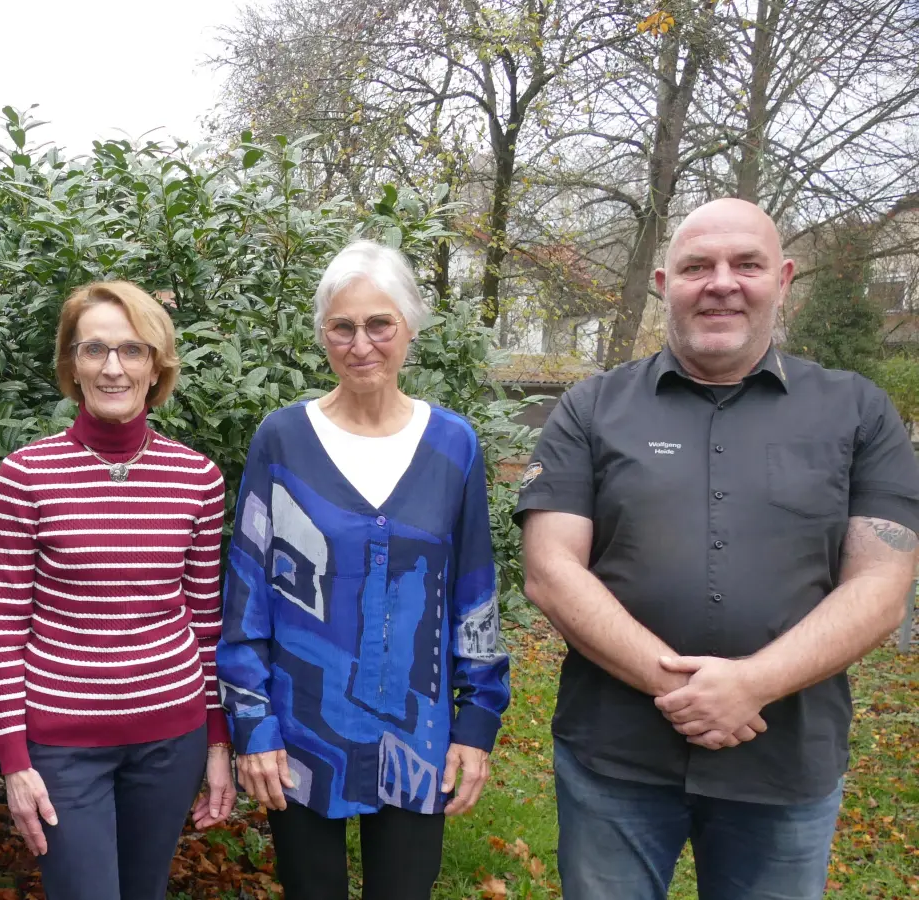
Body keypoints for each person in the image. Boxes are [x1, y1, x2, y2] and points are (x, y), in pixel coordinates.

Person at [517, 197, 919, 900]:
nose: (722, 283)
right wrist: (687, 692)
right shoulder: (591, 408)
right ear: (664, 284)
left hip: (784, 760)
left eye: (747, 265)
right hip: (616, 757)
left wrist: (752, 685)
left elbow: (882, 586)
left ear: (783, 279)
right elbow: (551, 570)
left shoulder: (857, 412)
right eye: (697, 266)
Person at [217, 240, 511, 900]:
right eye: (341, 328)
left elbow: (474, 591)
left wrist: (477, 721)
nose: (361, 345)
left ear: (410, 328)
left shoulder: (453, 445)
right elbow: (247, 593)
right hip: (298, 730)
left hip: (417, 734)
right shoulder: (282, 440)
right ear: (322, 334)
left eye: (380, 324)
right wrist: (252, 724)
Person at [0, 281, 235, 900]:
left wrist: (217, 742)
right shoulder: (26, 474)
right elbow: (6, 627)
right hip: (62, 744)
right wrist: (14, 759)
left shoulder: (197, 478)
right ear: (72, 365)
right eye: (94, 349)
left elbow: (206, 623)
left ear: (157, 366)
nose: (113, 367)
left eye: (132, 349)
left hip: (170, 738)